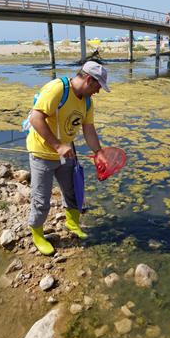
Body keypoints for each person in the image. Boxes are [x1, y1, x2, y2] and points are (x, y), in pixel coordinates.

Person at [26, 61, 110, 255]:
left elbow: (88, 129)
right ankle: (37, 234)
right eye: (98, 87)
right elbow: (35, 118)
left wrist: (99, 153)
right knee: (41, 199)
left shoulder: (87, 101)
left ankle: (72, 223)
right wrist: (57, 145)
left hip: (67, 152)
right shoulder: (57, 89)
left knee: (74, 191)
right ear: (89, 79)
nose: (97, 92)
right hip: (42, 153)